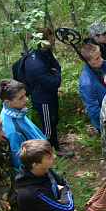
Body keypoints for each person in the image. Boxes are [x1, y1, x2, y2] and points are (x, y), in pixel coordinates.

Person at [25, 26, 74, 157]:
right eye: (51, 37)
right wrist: (56, 73)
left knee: (53, 121)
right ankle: (45, 154)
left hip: (50, 96)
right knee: (47, 128)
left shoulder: (46, 52)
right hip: (43, 100)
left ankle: (55, 146)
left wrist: (55, 71)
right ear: (43, 41)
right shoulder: (35, 61)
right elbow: (54, 83)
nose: (53, 39)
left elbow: (56, 66)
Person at [0, 79, 48, 172]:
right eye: (20, 98)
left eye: (25, 95)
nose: (26, 99)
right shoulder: (13, 131)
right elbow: (20, 164)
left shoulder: (17, 111)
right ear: (7, 102)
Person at [78, 43, 106, 130]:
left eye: (100, 56)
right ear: (86, 62)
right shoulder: (86, 84)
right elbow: (94, 112)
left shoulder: (105, 64)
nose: (101, 60)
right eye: (97, 59)